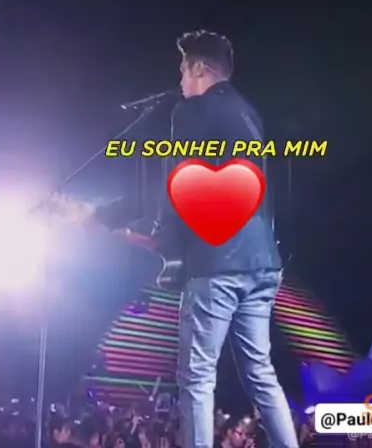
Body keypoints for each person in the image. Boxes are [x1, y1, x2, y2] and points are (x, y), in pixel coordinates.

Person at [97, 31, 298, 448]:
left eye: (183, 71)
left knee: (197, 377)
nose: (181, 81)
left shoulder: (192, 111)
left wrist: (162, 240)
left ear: (199, 69)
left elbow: (181, 179)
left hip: (217, 263)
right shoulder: (249, 113)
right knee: (261, 374)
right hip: (263, 263)